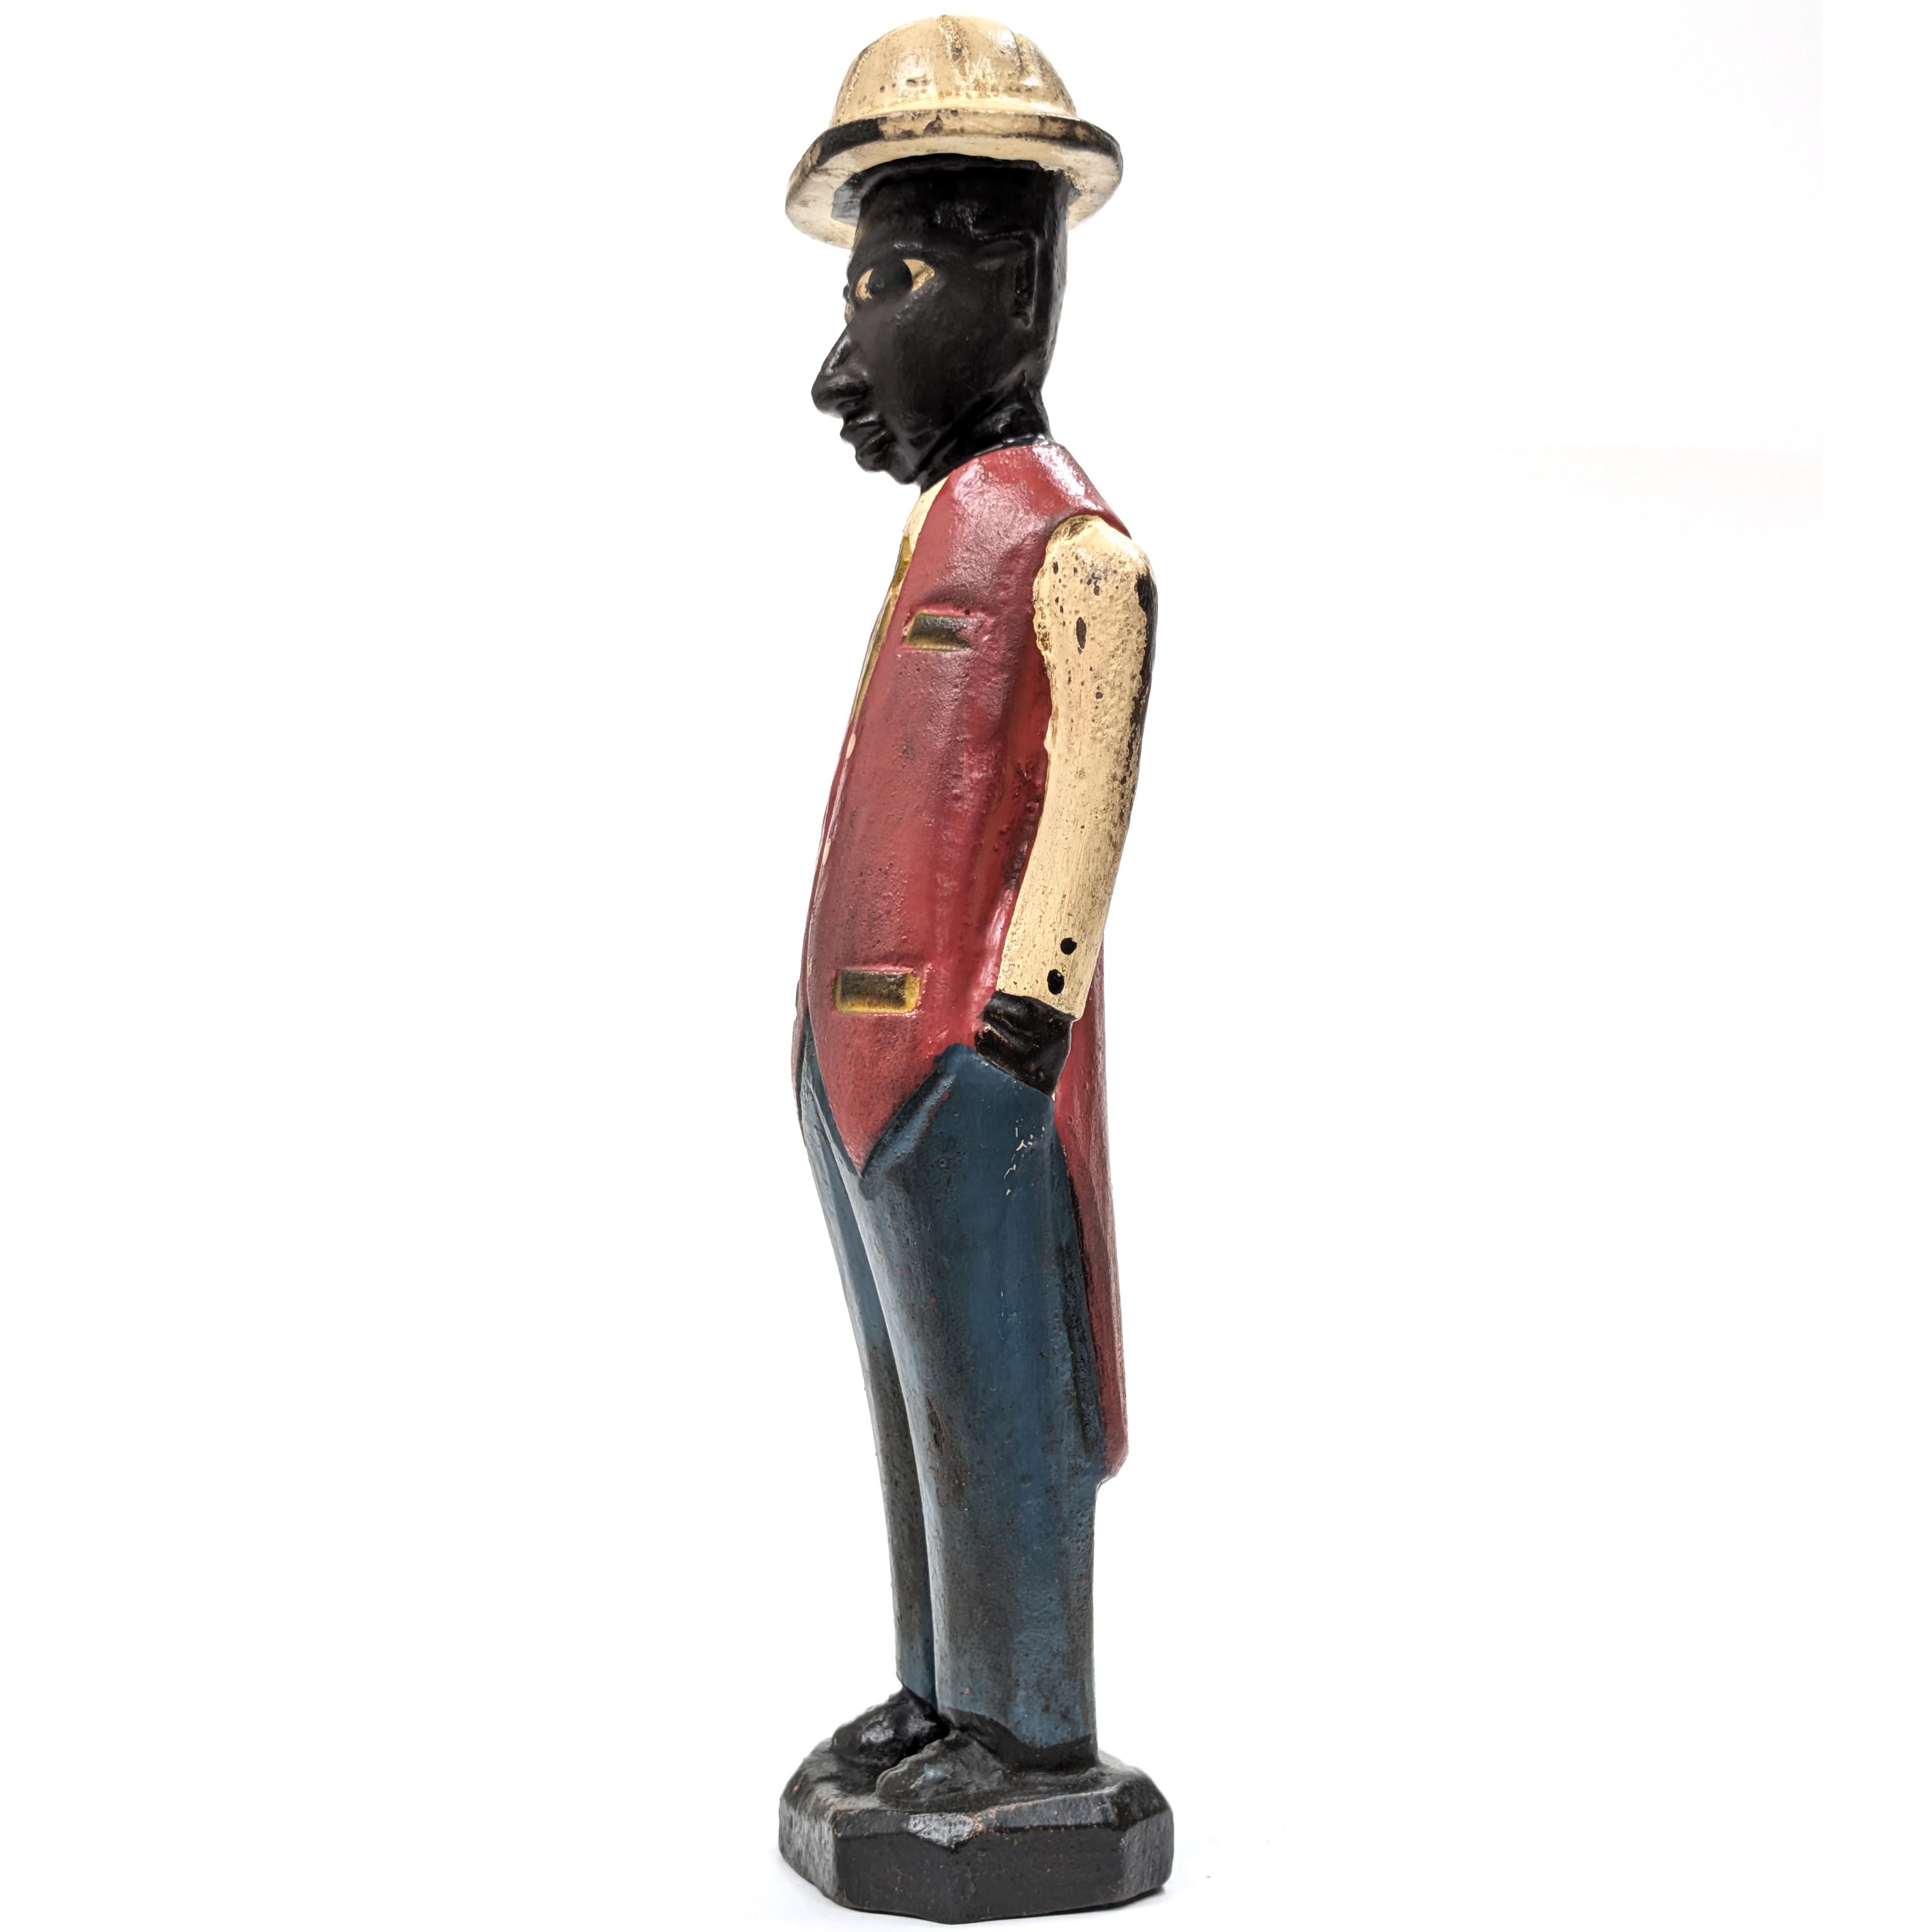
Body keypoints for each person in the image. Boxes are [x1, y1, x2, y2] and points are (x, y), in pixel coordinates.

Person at [784, 16, 1160, 1830]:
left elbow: (1080, 816)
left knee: (1000, 1393)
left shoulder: (1072, 551)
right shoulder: (949, 525)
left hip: (961, 1072)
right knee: (906, 1384)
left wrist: (1017, 1036)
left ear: (1013, 278)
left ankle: (1027, 1731)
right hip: (858, 1067)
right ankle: (942, 1685)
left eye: (892, 286)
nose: (840, 366)